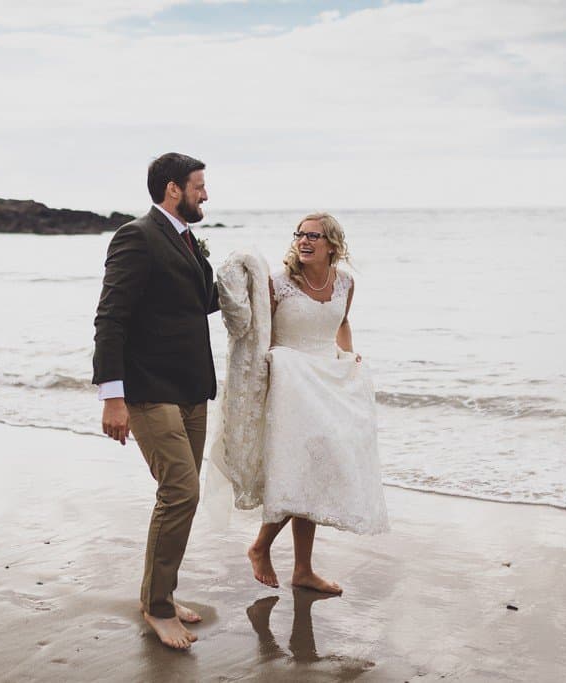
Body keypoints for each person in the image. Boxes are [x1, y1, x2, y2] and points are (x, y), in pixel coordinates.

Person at [92, 152, 218, 650]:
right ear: (172, 190)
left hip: (192, 389)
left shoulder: (188, 242)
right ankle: (158, 607)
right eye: (199, 186)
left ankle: (160, 592)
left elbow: (203, 302)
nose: (205, 194)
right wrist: (112, 397)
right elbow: (111, 318)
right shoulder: (136, 237)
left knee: (181, 497)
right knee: (181, 492)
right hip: (148, 390)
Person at [245, 212, 390, 595]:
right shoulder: (277, 283)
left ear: (332, 245)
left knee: (315, 467)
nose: (304, 241)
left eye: (313, 236)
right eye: (299, 234)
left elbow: (342, 323)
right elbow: (259, 334)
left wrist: (350, 357)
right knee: (297, 469)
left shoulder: (345, 282)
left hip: (327, 380)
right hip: (290, 383)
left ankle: (303, 570)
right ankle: (260, 547)